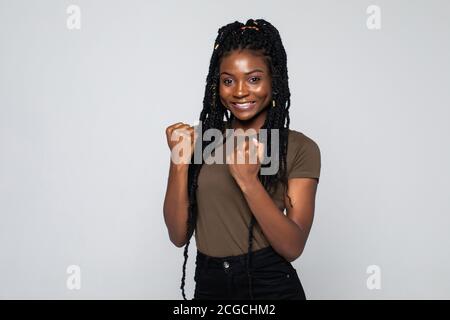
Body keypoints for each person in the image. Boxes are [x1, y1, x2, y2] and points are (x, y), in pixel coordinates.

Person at [164, 19, 321, 300]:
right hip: (209, 283)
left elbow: (293, 246)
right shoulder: (201, 142)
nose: (239, 91)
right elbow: (177, 236)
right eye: (228, 80)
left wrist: (249, 182)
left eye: (254, 78)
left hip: (269, 284)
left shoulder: (298, 147)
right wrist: (178, 162)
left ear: (275, 79)